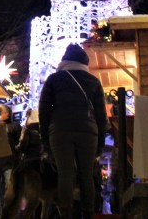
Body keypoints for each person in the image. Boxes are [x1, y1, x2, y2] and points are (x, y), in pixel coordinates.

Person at [39, 44, 107, 218]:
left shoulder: (54, 79)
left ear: (65, 60)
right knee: (86, 175)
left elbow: (44, 111)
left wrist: (45, 140)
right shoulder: (94, 81)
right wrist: (99, 146)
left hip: (60, 130)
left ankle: (66, 214)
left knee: (65, 175)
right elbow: (101, 116)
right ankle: (88, 214)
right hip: (88, 132)